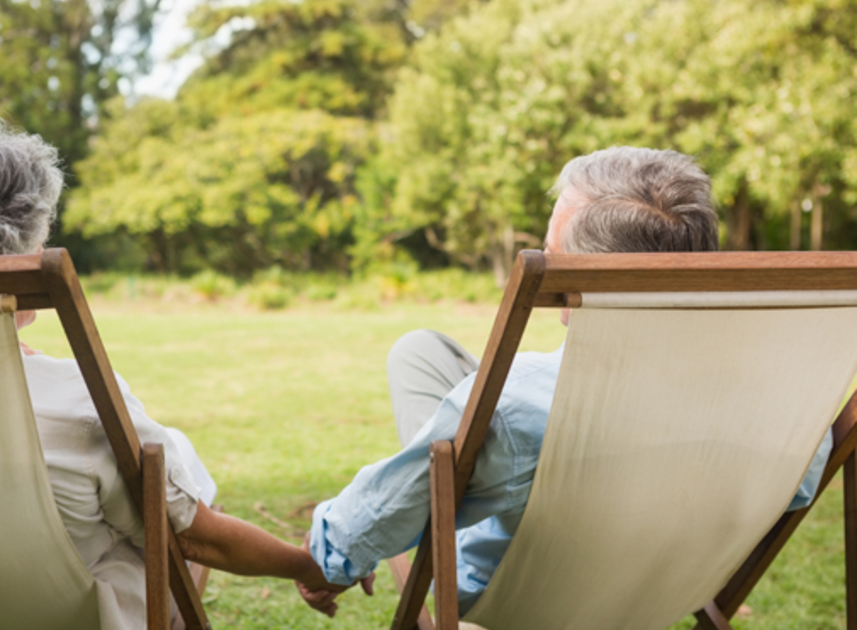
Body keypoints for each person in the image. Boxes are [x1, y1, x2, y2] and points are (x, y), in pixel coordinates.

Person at [0, 117, 338, 630]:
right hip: (64, 619)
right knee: (171, 471)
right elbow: (201, 541)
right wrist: (306, 564)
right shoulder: (80, 405)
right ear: (14, 255)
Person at [296, 147, 834, 618]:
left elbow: (356, 530)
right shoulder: (793, 413)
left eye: (552, 248)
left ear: (581, 278)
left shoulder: (515, 404)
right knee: (421, 353)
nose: (547, 255)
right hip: (668, 588)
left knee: (464, 436)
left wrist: (331, 558)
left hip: (511, 594)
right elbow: (798, 489)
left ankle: (461, 492)